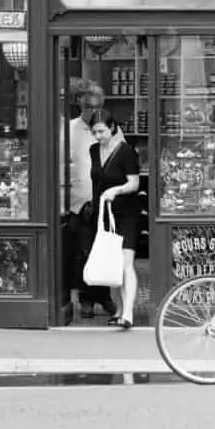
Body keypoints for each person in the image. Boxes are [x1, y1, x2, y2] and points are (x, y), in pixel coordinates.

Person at [66, 82, 119, 320]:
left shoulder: (112, 129)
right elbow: (60, 165)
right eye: (88, 106)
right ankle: (86, 298)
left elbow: (124, 160)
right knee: (84, 252)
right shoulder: (68, 130)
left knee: (105, 250)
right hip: (80, 202)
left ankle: (104, 296)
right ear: (80, 105)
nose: (92, 111)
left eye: (97, 106)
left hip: (106, 202)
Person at [89, 109, 142, 330]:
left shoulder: (127, 152)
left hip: (126, 213)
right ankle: (119, 310)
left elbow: (134, 183)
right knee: (111, 262)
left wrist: (117, 190)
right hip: (104, 214)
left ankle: (128, 312)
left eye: (101, 131)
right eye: (94, 132)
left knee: (126, 263)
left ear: (112, 128)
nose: (98, 136)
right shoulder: (93, 150)